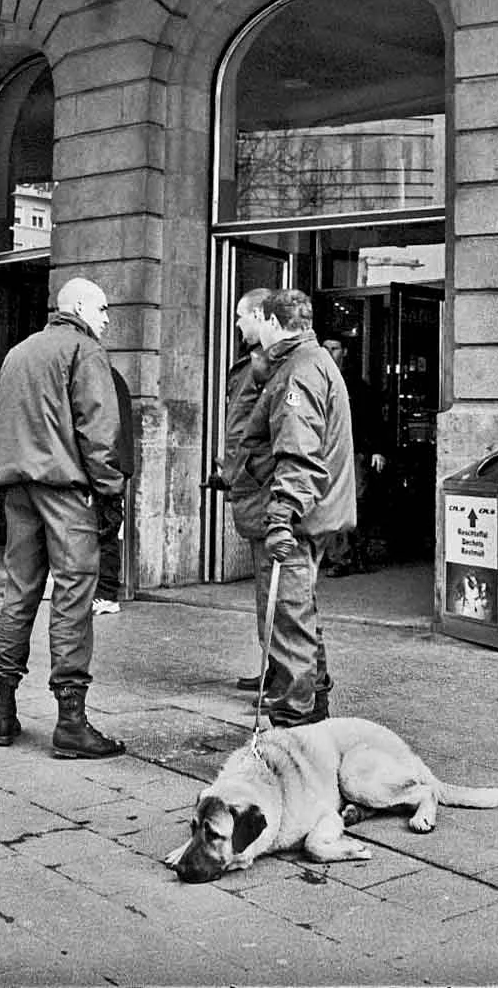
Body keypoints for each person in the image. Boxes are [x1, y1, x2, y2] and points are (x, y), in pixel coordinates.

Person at [0, 277, 126, 759]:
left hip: (17, 486)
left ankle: (4, 709)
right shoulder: (84, 350)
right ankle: (71, 720)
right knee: (73, 596)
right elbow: (99, 429)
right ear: (81, 307)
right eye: (103, 308)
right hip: (65, 488)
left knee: (19, 592)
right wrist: (111, 491)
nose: (107, 318)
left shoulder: (18, 352)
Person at [232, 289, 356, 727]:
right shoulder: (309, 362)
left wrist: (281, 517)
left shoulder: (298, 372)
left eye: (250, 320)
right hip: (310, 512)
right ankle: (313, 705)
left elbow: (299, 454)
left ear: (269, 319)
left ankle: (293, 721)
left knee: (288, 620)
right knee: (299, 611)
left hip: (297, 516)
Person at [208, 287, 283, 695]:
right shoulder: (254, 363)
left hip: (263, 489)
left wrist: (247, 470)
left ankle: (284, 673)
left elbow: (264, 431)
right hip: (252, 485)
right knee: (266, 586)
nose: (237, 324)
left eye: (242, 316)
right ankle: (274, 666)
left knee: (275, 587)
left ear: (259, 315)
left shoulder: (269, 365)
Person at [320, 338, 387, 576]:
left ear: (344, 352)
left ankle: (357, 554)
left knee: (358, 504)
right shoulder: (316, 379)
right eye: (325, 348)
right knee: (331, 503)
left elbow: (373, 419)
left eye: (334, 348)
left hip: (355, 452)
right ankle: (340, 557)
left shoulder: (357, 386)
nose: (329, 352)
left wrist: (377, 449)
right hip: (326, 453)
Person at [92, 366, 135, 615]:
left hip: (108, 465)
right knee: (106, 529)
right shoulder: (111, 376)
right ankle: (104, 591)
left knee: (105, 530)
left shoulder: (101, 377)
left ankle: (106, 593)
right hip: (114, 463)